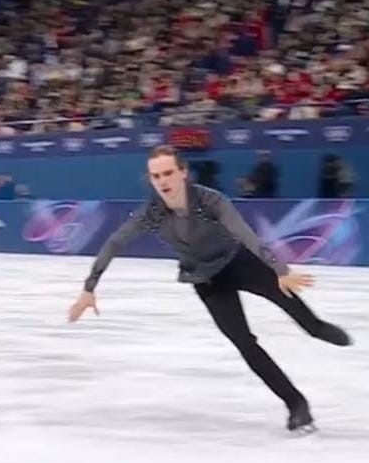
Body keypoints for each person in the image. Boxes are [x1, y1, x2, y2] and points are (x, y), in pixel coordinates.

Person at [68, 145, 352, 433]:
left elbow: (245, 234)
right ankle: (296, 405)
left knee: (308, 323)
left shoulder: (210, 200)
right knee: (245, 343)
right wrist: (89, 288)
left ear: (183, 172)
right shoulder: (151, 213)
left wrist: (280, 270)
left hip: (242, 263)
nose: (163, 181)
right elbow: (114, 242)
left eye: (168, 173)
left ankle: (317, 327)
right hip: (207, 280)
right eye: (156, 176)